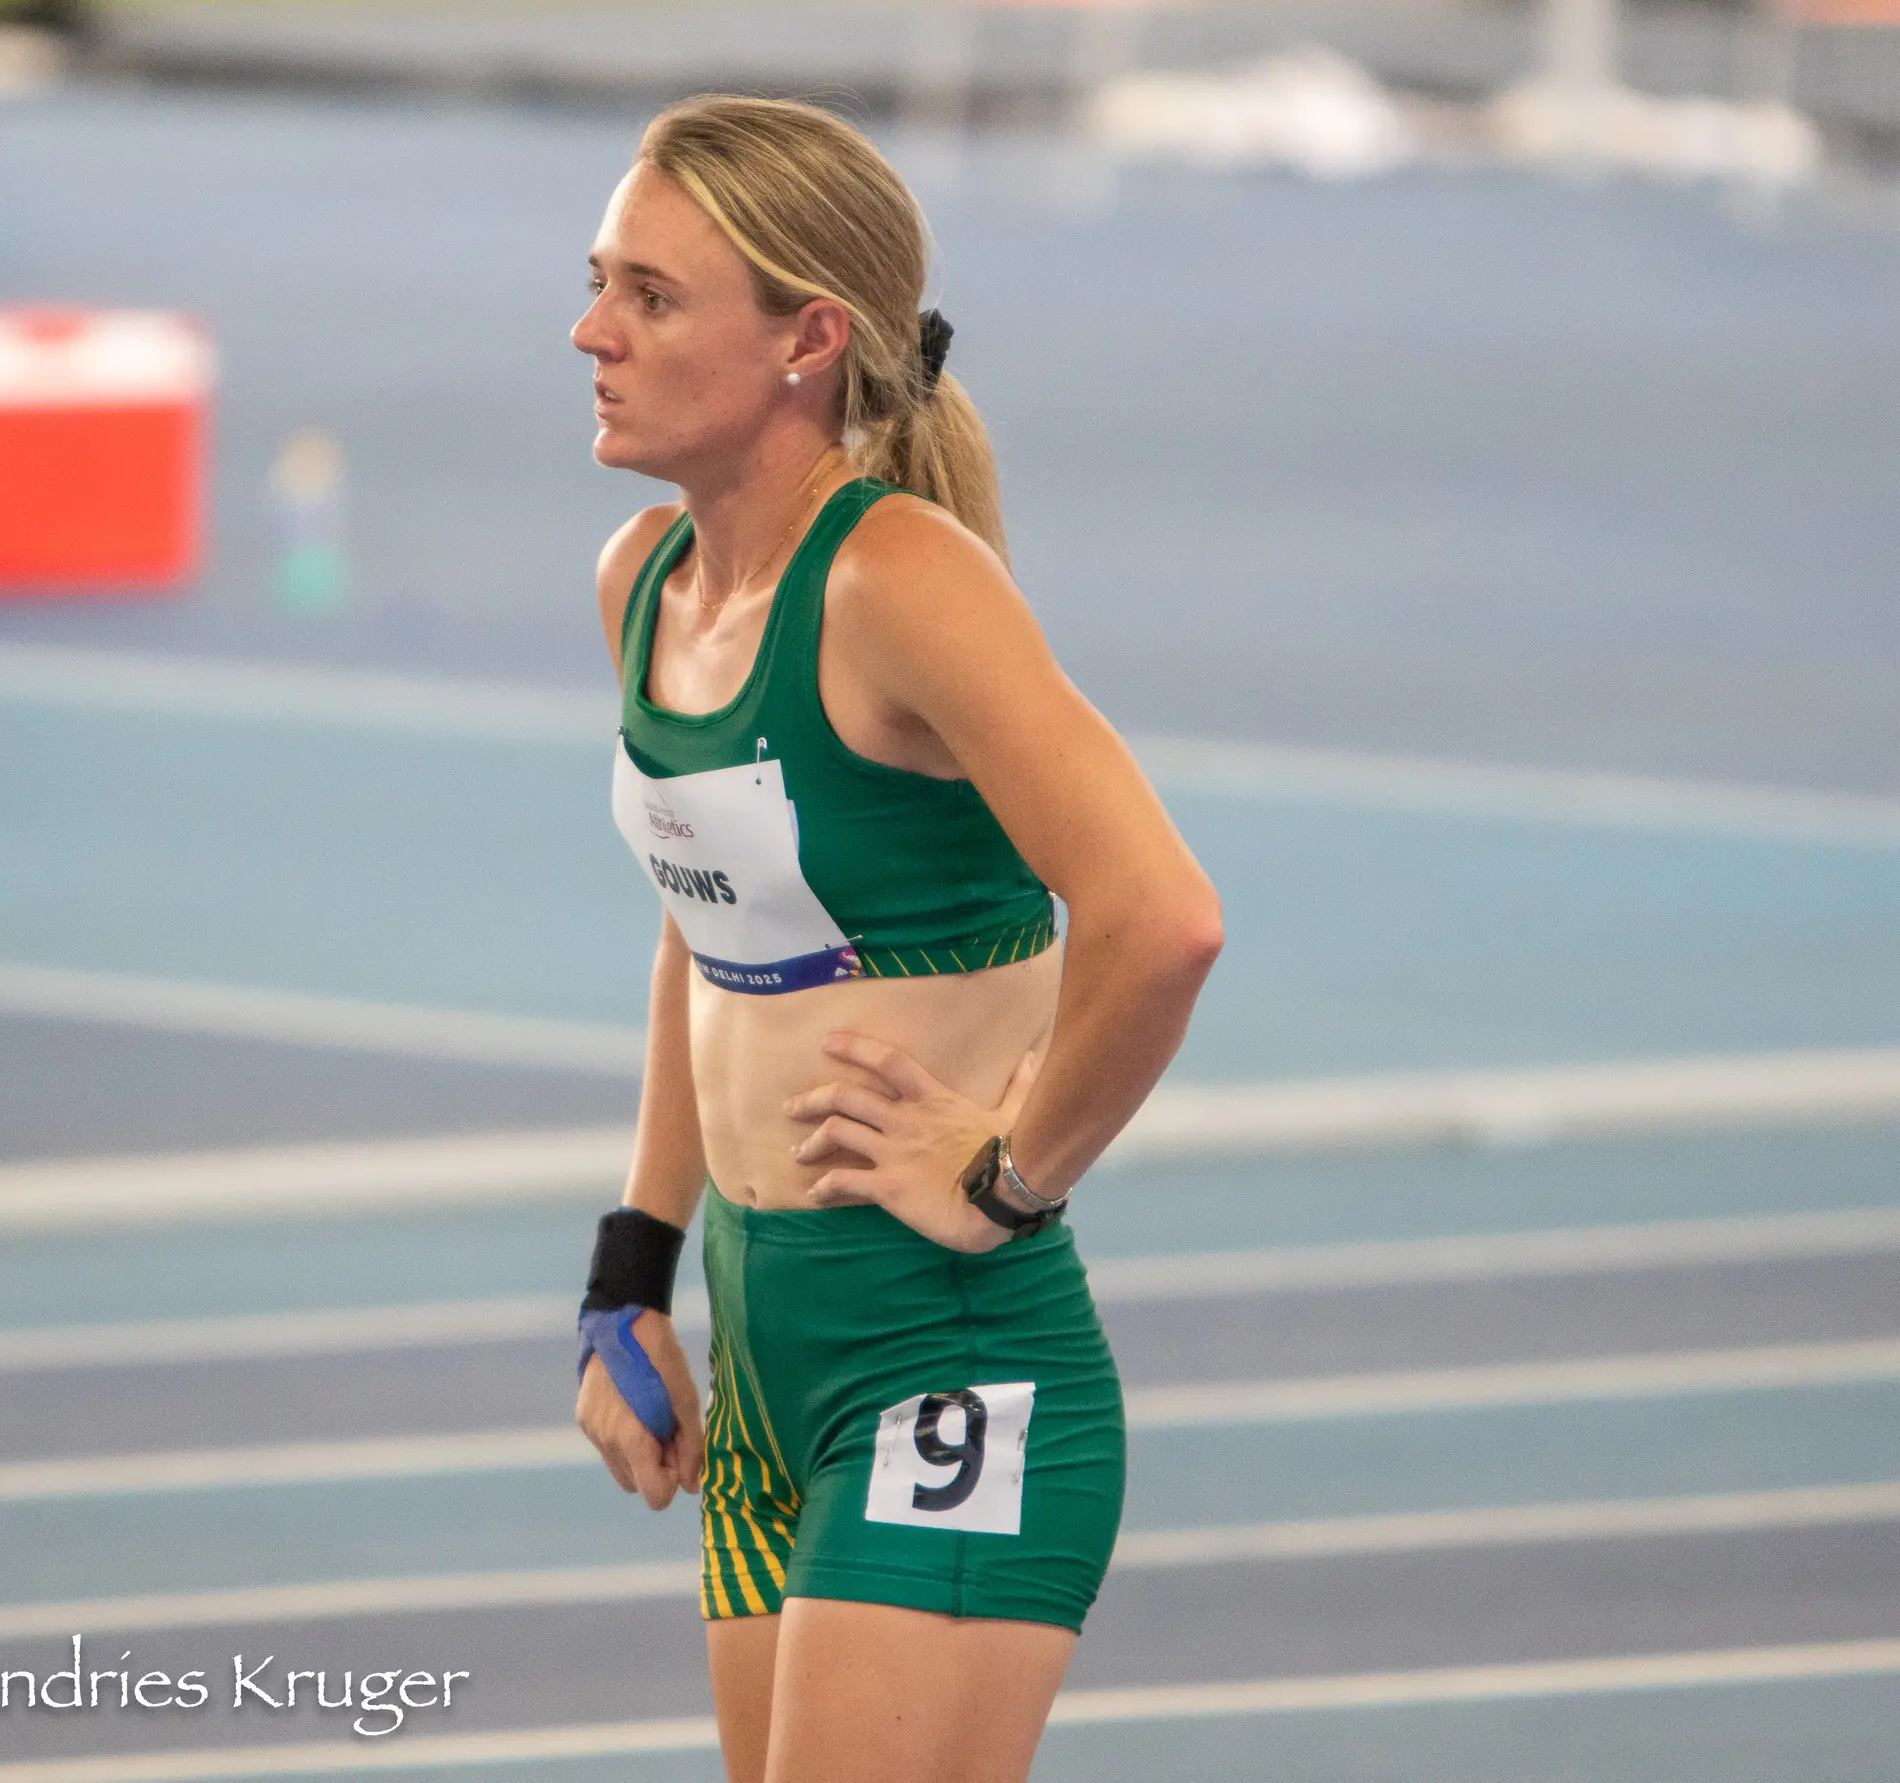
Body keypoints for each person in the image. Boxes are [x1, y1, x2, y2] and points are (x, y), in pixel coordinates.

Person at [569, 95, 1223, 1783]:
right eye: (598, 283)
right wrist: (631, 1269)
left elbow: (1162, 921)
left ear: (808, 339)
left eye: (649, 295)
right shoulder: (643, 582)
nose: (591, 331)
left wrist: (1012, 1170)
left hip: (947, 1351)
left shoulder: (898, 582)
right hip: (759, 1350)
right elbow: (701, 933)